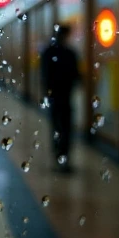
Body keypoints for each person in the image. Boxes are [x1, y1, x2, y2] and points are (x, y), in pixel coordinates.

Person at [41, 25, 80, 173]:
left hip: (55, 97)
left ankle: (59, 157)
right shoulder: (70, 53)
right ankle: (63, 157)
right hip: (65, 97)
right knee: (65, 128)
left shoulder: (48, 52)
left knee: (57, 128)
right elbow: (76, 76)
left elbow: (45, 76)